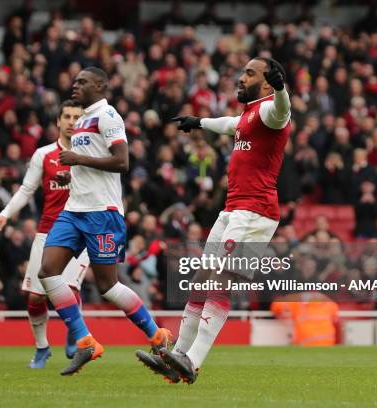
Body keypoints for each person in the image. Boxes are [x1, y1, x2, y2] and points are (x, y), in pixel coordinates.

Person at [139, 57, 291, 383]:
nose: (241, 77)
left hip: (255, 212)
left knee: (220, 283)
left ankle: (192, 361)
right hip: (234, 208)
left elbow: (283, 111)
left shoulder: (269, 110)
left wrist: (281, 90)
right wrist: (199, 122)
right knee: (201, 281)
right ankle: (175, 356)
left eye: (249, 73)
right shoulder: (250, 115)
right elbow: (229, 124)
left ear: (266, 82)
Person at [37, 67, 172, 376]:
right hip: (74, 210)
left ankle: (157, 334)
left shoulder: (108, 116)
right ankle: (85, 342)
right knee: (48, 272)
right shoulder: (83, 120)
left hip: (103, 213)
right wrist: (69, 173)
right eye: (74, 81)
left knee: (107, 286)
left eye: (82, 82)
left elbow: (122, 162)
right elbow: (89, 164)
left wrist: (78, 160)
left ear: (99, 85)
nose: (75, 85)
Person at [0, 100, 89, 368]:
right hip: (48, 231)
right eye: (66, 116)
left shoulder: (92, 156)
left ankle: (76, 335)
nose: (71, 121)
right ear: (58, 121)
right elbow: (26, 189)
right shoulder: (43, 155)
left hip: (81, 232)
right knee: (35, 296)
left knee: (68, 288)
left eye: (76, 117)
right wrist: (5, 214)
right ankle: (42, 347)